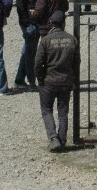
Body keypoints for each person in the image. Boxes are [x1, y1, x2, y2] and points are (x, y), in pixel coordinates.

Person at [34, 10, 80, 152]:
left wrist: (40, 78)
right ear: (64, 23)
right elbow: (76, 62)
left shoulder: (46, 41)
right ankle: (63, 139)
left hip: (49, 81)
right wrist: (73, 80)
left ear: (51, 23)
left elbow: (37, 63)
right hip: (65, 81)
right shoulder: (72, 40)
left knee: (46, 110)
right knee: (63, 111)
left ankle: (53, 138)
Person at [13, 0, 40, 89]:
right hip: (28, 24)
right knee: (30, 53)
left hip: (34, 22)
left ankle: (19, 79)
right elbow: (20, 7)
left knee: (27, 51)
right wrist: (27, 22)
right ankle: (31, 81)